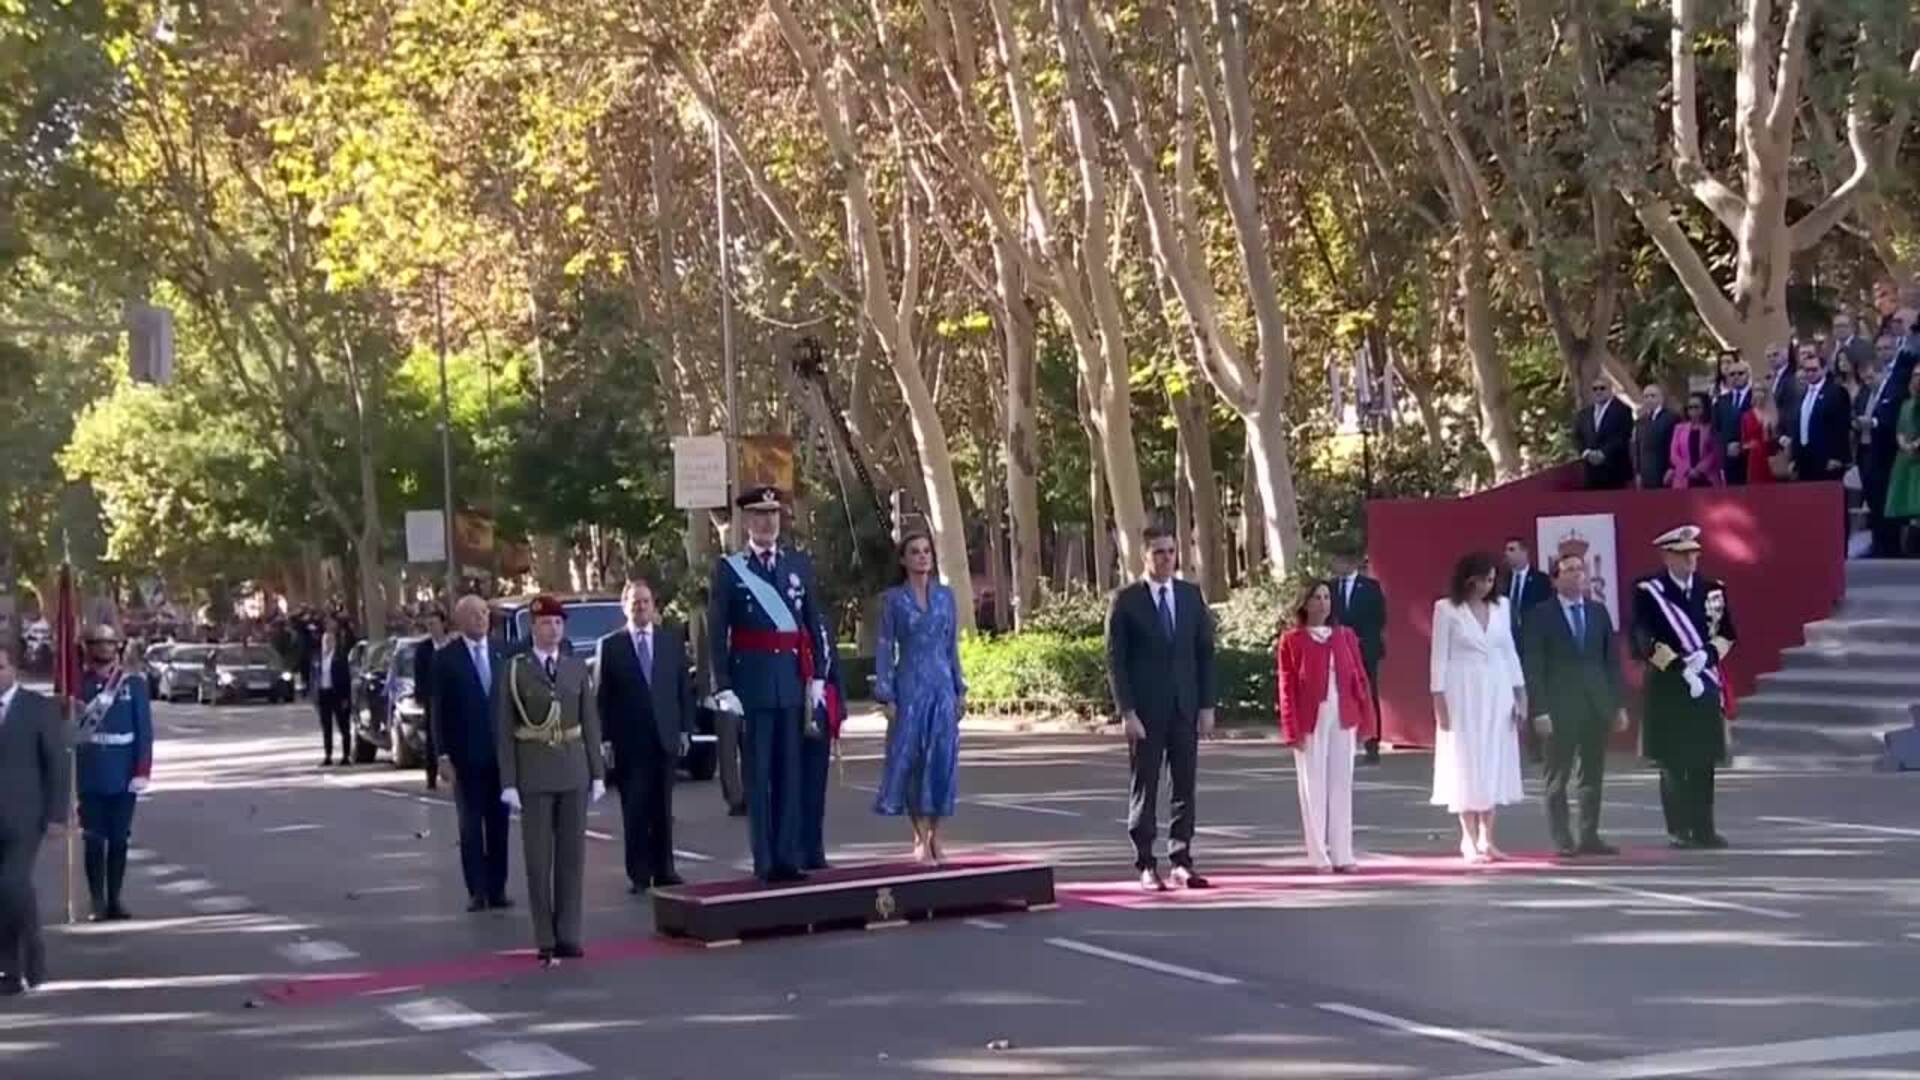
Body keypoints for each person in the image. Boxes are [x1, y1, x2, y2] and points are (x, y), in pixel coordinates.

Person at [706, 487, 832, 883]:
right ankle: (764, 861)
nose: (767, 522)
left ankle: (787, 858)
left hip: (792, 683)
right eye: (759, 515)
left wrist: (818, 678)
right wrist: (723, 684)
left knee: (790, 774)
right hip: (753, 684)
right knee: (759, 777)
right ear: (747, 521)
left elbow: (813, 622)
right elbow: (717, 630)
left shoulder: (797, 563)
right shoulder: (731, 569)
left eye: (773, 515)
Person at [1106, 524, 1217, 891]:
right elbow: (1116, 661)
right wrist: (1127, 712)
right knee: (1147, 786)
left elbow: (1204, 653)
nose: (1166, 558)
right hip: (1145, 712)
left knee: (1185, 785)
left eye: (1170, 551)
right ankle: (1146, 863)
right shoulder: (1126, 600)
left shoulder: (1189, 595)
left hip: (1185, 707)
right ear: (1144, 555)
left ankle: (1182, 859)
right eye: (1158, 552)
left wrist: (1206, 705)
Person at [497, 596, 604, 967]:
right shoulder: (516, 670)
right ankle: (545, 936)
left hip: (573, 769)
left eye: (558, 624)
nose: (553, 630)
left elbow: (590, 723)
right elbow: (505, 731)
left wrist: (597, 772)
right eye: (546, 624)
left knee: (573, 859)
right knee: (539, 860)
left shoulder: (576, 669)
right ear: (533, 628)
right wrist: (508, 781)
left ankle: (570, 934)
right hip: (535, 771)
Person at [1633, 526, 1736, 848]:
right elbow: (1643, 639)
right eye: (1684, 554)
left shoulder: (1712, 589)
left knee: (1704, 761)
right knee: (1675, 761)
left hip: (1704, 682)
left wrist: (1707, 656)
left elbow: (1728, 633)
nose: (1692, 559)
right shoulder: (1649, 591)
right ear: (1667, 556)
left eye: (1694, 553)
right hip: (1669, 685)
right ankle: (1680, 829)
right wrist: (1677, 664)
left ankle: (1705, 828)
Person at [1520, 555, 1627, 857]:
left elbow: (1611, 662)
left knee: (1592, 774)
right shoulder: (1540, 615)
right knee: (1558, 776)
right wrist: (1539, 710)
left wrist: (1617, 704)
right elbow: (1534, 667)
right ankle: (1562, 837)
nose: (1577, 575)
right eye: (1569, 571)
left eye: (1581, 570)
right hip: (1558, 708)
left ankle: (1590, 834)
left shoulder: (1597, 612)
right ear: (1555, 579)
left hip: (1596, 705)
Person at [872, 532, 967, 864]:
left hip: (941, 686)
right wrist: (886, 694)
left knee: (942, 759)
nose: (922, 557)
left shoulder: (946, 597)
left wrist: (959, 688)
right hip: (909, 686)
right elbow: (884, 647)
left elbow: (950, 645)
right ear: (903, 560)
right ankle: (918, 835)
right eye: (915, 552)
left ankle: (936, 836)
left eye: (927, 551)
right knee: (912, 762)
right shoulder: (893, 600)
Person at [595, 577, 693, 894]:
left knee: (662, 808)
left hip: (664, 737)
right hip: (629, 742)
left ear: (654, 606)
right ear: (625, 607)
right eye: (635, 602)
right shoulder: (610, 646)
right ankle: (639, 873)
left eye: (646, 602)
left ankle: (665, 869)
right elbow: (602, 698)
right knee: (635, 809)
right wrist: (605, 740)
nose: (641, 607)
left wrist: (684, 730)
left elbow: (682, 690)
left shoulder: (670, 642)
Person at [1428, 551, 1527, 863]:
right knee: (1465, 760)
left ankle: (1488, 838)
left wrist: (1521, 695)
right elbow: (1438, 659)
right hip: (1462, 691)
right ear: (1468, 578)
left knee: (1492, 758)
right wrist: (1439, 702)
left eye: (1491, 579)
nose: (1487, 585)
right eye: (1482, 578)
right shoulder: (1446, 609)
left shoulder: (1502, 607)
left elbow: (1509, 651)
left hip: (1497, 690)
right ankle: (1468, 839)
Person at [1275, 581, 1373, 873]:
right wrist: (1291, 729)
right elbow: (1286, 686)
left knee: (1341, 784)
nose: (1323, 602)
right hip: (1310, 717)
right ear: (1305, 604)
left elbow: (1361, 679)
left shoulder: (1345, 636)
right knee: (1313, 785)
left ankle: (1343, 852)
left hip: (1343, 715)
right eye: (1316, 597)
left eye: (1326, 597)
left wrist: (1367, 719)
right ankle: (1319, 854)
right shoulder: (1292, 640)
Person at [432, 595, 512, 912]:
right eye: (474, 614)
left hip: (500, 755)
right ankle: (476, 890)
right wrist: (442, 755)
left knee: (499, 824)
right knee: (470, 824)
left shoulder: (502, 652)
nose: (481, 619)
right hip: (465, 756)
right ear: (460, 620)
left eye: (484, 613)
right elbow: (438, 711)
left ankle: (498, 888)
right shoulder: (447, 658)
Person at [73, 625, 153, 921]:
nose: (103, 649)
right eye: (97, 644)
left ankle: (115, 899)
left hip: (123, 773)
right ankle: (96, 901)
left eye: (108, 644)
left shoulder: (133, 684)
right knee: (93, 839)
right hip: (90, 772)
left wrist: (142, 769)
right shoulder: (77, 685)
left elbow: (144, 731)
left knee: (119, 839)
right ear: (88, 648)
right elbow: (68, 733)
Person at [0, 644, 67, 995]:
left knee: (12, 885)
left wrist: (57, 815)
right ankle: (9, 971)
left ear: (14, 670)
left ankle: (34, 953)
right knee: (5, 895)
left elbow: (56, 763)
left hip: (24, 817)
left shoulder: (37, 708)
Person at [1328, 544, 1387, 762]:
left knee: (1368, 694)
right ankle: (1341, 744)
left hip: (1365, 648)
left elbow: (1379, 618)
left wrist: (1358, 639)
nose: (1334, 564)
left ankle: (1372, 745)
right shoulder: (1330, 588)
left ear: (1351, 562)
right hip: (1336, 649)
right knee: (1336, 694)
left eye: (1338, 560)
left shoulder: (1371, 587)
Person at [1789, 343, 1853, 483]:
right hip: (1805, 460)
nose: (1810, 374)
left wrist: (1837, 456)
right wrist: (1794, 458)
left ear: (1824, 369)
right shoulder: (1802, 393)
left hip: (1827, 461)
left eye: (1814, 370)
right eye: (1807, 370)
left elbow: (1841, 427)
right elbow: (1798, 427)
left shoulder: (1836, 392)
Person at [1883, 365, 1920, 550]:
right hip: (1905, 459)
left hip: (1917, 459)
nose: (1917, 379)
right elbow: (1899, 429)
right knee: (1907, 506)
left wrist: (1915, 445)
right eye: (1914, 375)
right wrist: (1903, 443)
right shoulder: (1906, 404)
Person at [1573, 380, 1633, 490]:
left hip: (1615, 472)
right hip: (1591, 473)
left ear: (1610, 390)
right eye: (1595, 389)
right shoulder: (1584, 414)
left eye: (1602, 388)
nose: (1598, 391)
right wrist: (1586, 453)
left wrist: (1603, 453)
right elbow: (1577, 437)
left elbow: (1623, 436)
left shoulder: (1623, 411)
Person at [414, 608, 449, 790]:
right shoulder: (424, 649)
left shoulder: (452, 646)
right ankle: (431, 775)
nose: (432, 628)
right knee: (432, 737)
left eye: (435, 624)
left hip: (453, 697)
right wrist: (421, 696)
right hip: (433, 698)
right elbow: (419, 675)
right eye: (429, 625)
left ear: (443, 624)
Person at [313, 619, 353, 767]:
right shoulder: (318, 659)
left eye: (330, 641)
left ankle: (346, 755)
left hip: (338, 694)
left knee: (343, 726)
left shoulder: (340, 659)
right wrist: (315, 695)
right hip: (324, 694)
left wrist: (345, 698)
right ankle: (328, 755)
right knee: (326, 727)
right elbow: (315, 678)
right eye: (326, 641)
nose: (328, 643)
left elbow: (346, 679)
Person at [1666, 392, 1724, 488]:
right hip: (1684, 478)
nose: (1693, 410)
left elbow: (1714, 453)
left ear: (1704, 408)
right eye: (1690, 407)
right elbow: (1674, 454)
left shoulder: (1711, 428)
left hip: (1707, 478)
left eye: (1696, 407)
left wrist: (1699, 470)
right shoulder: (1679, 428)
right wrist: (1687, 470)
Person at [1713, 357, 1755, 486]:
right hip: (1729, 459)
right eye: (1732, 374)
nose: (1736, 377)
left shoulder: (1756, 397)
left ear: (1748, 375)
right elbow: (1717, 429)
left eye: (1740, 373)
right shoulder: (1721, 401)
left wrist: (1742, 446)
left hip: (1751, 458)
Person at [1497, 537, 1551, 636]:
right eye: (1506, 550)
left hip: (1533, 635)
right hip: (1507, 635)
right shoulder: (1501, 580)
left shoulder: (1541, 580)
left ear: (1524, 552)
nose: (1507, 554)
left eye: (1512, 550)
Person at [1737, 382, 1785, 485]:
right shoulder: (1746, 416)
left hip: (1771, 458)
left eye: (1762, 390)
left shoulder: (1774, 414)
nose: (1758, 394)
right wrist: (1748, 445)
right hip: (1755, 458)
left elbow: (1778, 440)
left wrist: (1769, 432)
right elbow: (1743, 442)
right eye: (1756, 390)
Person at [1634, 384, 1679, 489]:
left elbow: (1675, 445)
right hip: (1645, 474)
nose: (1649, 399)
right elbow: (1638, 448)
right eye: (1646, 396)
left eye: (1653, 396)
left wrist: (1672, 468)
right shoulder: (1640, 421)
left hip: (1664, 472)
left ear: (1661, 398)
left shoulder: (1671, 418)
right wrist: (1638, 472)